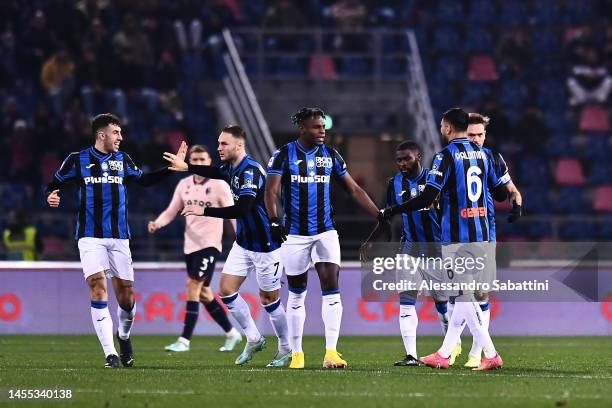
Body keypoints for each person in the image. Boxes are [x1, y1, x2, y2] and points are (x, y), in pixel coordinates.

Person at [45, 113, 187, 368]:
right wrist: (52, 195)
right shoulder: (77, 160)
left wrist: (170, 170)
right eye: (116, 133)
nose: (121, 138)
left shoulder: (123, 159)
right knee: (98, 287)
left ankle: (124, 336)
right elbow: (53, 184)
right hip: (90, 237)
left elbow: (143, 181)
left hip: (119, 238)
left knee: (126, 299)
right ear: (102, 135)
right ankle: (110, 354)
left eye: (120, 133)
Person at [379, 108, 507, 371]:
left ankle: (490, 353)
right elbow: (501, 194)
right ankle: (445, 353)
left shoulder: (445, 157)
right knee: (464, 297)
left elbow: (427, 197)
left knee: (462, 296)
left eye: (441, 125)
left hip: (457, 238)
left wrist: (394, 209)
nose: (440, 129)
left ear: (448, 128)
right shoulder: (485, 155)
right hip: (483, 235)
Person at [163, 125, 291, 367]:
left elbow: (243, 207)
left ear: (239, 146)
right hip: (243, 243)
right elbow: (213, 170)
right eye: (219, 142)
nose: (219, 147)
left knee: (269, 299)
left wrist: (205, 210)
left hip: (265, 245)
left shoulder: (250, 171)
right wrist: (186, 167)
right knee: (226, 289)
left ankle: (286, 348)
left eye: (224, 144)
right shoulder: (231, 169)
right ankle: (253, 338)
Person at [265, 107, 379, 369]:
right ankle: (297, 354)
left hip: (326, 231)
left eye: (324, 127)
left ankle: (331, 352)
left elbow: (354, 189)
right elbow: (270, 191)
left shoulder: (330, 155)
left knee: (331, 288)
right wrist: (273, 219)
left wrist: (379, 213)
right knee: (296, 294)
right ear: (302, 128)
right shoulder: (283, 155)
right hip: (294, 235)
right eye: (317, 127)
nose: (322, 132)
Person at [359, 141, 454, 367]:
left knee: (442, 304)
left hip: (438, 251)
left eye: (406, 159)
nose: (402, 163)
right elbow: (385, 216)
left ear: (418, 156)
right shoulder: (394, 184)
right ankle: (411, 355)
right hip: (409, 250)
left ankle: (449, 349)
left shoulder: (435, 179)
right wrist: (371, 241)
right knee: (406, 302)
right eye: (399, 160)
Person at [148, 144, 242, 353]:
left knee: (193, 286)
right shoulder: (184, 184)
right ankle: (232, 333)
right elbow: (172, 210)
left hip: (210, 245)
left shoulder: (219, 185)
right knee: (204, 294)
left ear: (209, 162)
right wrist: (158, 223)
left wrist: (241, 236)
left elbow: (233, 213)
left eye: (202, 160)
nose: (199, 163)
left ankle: (184, 341)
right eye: (195, 160)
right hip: (190, 246)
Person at [460, 112, 522, 368]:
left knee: (479, 293)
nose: (475, 139)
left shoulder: (493, 158)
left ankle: (477, 353)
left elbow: (511, 190)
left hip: (485, 234)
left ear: (485, 135)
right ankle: (453, 347)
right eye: (471, 135)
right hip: (457, 233)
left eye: (480, 135)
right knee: (460, 295)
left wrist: (516, 203)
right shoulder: (454, 157)